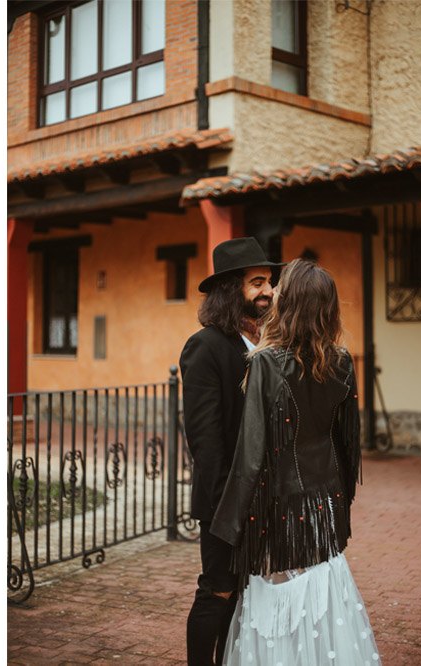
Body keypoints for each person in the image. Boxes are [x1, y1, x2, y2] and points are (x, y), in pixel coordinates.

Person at [211, 259, 378, 664]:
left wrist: (226, 528)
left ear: (290, 305)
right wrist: (340, 506)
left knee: (278, 612)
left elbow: (250, 457)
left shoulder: (266, 363)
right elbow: (347, 445)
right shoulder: (341, 360)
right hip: (324, 503)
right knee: (319, 606)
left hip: (279, 506)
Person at [180, 237, 283, 666]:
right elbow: (205, 441)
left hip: (264, 497)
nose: (268, 291)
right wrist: (230, 509)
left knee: (242, 593)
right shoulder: (206, 346)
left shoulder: (263, 346)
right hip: (225, 501)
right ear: (229, 290)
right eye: (257, 282)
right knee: (218, 590)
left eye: (270, 282)